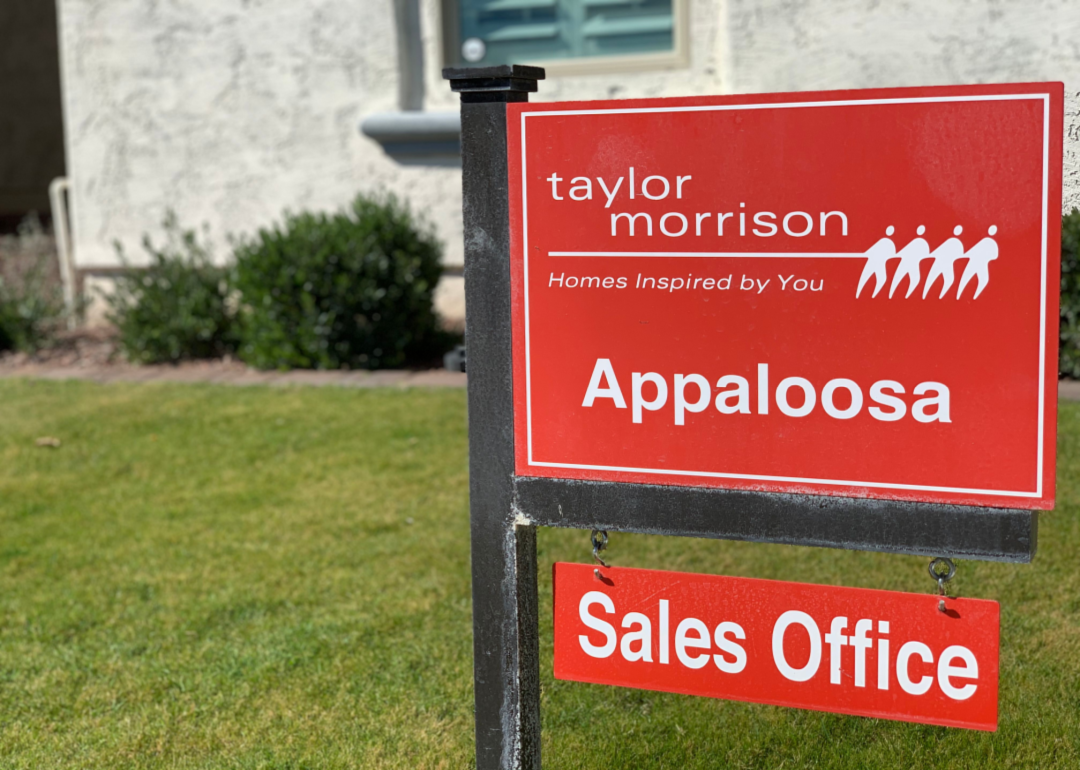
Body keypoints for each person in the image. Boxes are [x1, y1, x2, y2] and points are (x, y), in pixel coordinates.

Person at [922, 225, 966, 299]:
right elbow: (938, 251)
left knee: (948, 280)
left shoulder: (958, 244)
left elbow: (960, 256)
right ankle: (925, 294)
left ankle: (938, 296)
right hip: (939, 263)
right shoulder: (953, 243)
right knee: (932, 278)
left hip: (946, 265)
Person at [956, 225, 999, 299]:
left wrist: (986, 257)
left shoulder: (992, 244)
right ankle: (958, 294)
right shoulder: (986, 241)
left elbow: (994, 256)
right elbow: (972, 251)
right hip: (974, 263)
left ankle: (972, 296)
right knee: (966, 278)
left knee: (983, 280)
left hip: (981, 264)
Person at [889, 225, 931, 299]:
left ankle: (904, 296)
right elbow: (903, 252)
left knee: (915, 279)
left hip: (912, 265)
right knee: (898, 277)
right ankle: (891, 294)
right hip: (905, 263)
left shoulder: (924, 244)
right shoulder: (918, 243)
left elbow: (926, 256)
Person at [856, 226, 896, 298]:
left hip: (880, 264)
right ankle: (858, 293)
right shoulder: (883, 241)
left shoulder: (891, 244)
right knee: (865, 277)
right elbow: (870, 251)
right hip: (872, 262)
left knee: (882, 279)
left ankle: (873, 296)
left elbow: (892, 255)